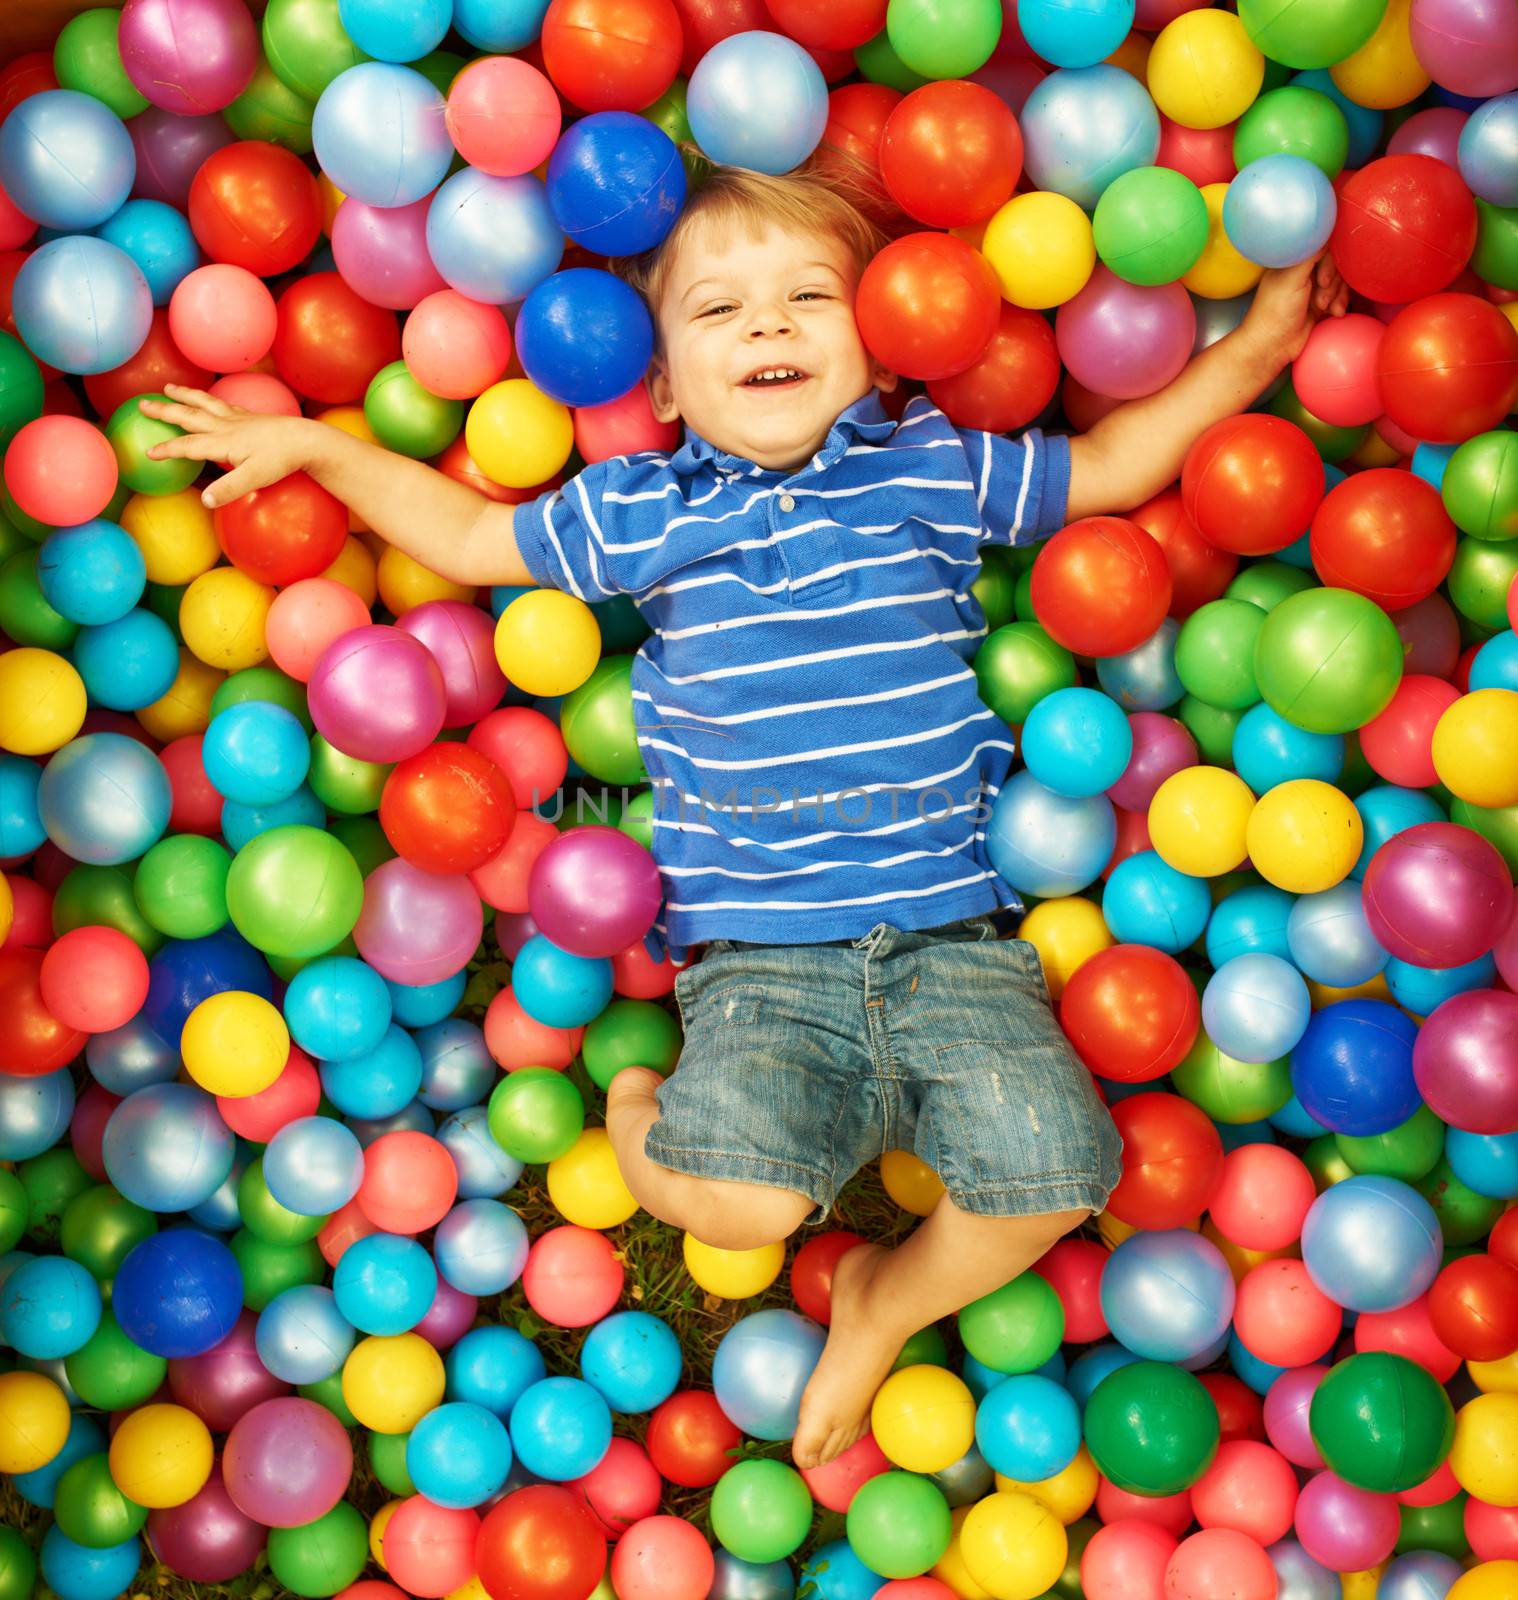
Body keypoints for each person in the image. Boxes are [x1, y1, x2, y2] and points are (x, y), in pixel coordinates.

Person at [141, 153, 1347, 1469]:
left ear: (885, 349)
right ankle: (635, 1115)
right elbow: (477, 541)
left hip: (959, 952)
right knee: (735, 1207)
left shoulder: (926, 468)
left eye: (807, 296)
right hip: (764, 975)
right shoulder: (647, 508)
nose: (765, 324)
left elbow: (1111, 465)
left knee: (1062, 1175)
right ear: (659, 382)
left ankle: (884, 1301)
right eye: (716, 311)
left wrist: (1257, 349)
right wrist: (319, 444)